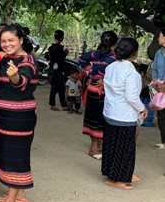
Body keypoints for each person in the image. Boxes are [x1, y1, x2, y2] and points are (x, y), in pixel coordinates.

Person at [0, 24, 38, 202]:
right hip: (2, 115)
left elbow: (23, 81)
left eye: (11, 40)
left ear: (21, 40)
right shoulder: (5, 59)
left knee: (15, 155)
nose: (7, 44)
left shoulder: (27, 61)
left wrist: (15, 76)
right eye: (3, 41)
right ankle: (19, 193)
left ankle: (11, 200)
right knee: (4, 150)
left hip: (19, 117)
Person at [101, 38, 147, 189]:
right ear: (135, 54)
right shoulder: (132, 73)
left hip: (110, 112)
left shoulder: (111, 67)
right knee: (125, 148)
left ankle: (112, 174)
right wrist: (142, 108)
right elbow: (132, 97)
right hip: (124, 115)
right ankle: (120, 178)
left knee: (112, 145)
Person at [78, 31, 118, 159]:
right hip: (102, 89)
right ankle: (94, 149)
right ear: (115, 43)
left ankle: (97, 145)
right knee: (101, 119)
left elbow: (81, 58)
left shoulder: (96, 53)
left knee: (92, 117)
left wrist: (89, 71)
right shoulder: (114, 58)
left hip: (91, 88)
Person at [151, 28, 165, 149]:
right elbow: (154, 68)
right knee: (161, 114)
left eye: (160, 36)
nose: (158, 39)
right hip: (160, 88)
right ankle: (163, 141)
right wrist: (156, 82)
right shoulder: (159, 53)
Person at [48, 29, 69, 111]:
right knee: (55, 87)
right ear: (62, 38)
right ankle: (52, 104)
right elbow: (59, 59)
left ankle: (64, 104)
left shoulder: (52, 47)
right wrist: (65, 54)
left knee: (61, 87)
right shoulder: (58, 48)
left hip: (54, 69)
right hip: (56, 69)